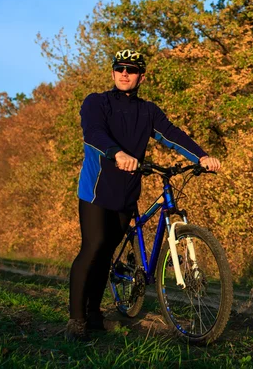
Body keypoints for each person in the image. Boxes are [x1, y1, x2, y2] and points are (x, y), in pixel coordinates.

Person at [65, 49, 220, 341]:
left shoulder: (147, 111)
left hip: (127, 192)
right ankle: (76, 319)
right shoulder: (96, 102)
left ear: (141, 76)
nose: (125, 73)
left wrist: (201, 156)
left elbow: (172, 134)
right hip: (96, 190)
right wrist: (117, 153)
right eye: (120, 68)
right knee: (94, 246)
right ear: (112, 72)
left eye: (132, 70)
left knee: (108, 251)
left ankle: (95, 314)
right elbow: (93, 133)